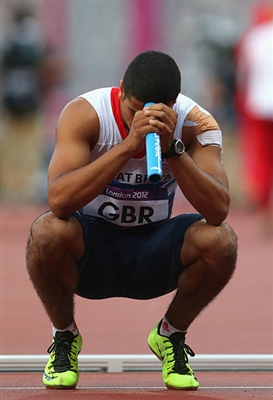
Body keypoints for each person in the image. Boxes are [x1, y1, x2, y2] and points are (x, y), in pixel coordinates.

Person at [26, 51, 238, 390]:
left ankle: (170, 335)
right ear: (121, 89)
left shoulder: (197, 122)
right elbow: (59, 200)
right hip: (92, 248)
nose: (141, 119)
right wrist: (128, 146)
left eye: (153, 112)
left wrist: (173, 150)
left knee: (221, 240)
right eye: (133, 110)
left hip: (152, 251)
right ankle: (64, 337)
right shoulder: (85, 113)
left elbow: (218, 210)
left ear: (173, 104)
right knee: (47, 231)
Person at [234, 2, 273, 237]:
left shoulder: (251, 38)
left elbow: (242, 76)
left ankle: (262, 207)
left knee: (260, 158)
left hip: (257, 105)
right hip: (258, 104)